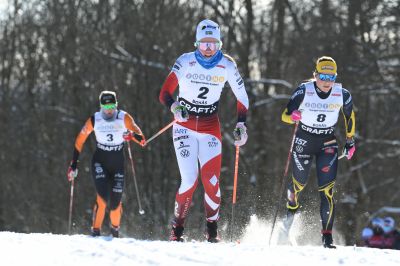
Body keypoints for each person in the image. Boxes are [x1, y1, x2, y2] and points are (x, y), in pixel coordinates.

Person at [159, 19, 249, 242]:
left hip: (210, 126)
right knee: (189, 180)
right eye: (204, 43)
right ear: (196, 43)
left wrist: (241, 124)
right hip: (184, 126)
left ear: (219, 44)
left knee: (212, 181)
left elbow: (242, 97)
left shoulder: (227, 65)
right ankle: (177, 230)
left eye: (213, 44)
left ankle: (211, 230)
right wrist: (175, 106)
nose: (208, 48)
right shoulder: (186, 61)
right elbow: (164, 93)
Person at [279, 56, 356, 248]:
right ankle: (287, 220)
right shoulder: (304, 90)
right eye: (323, 76)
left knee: (327, 191)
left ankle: (327, 237)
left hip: (327, 142)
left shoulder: (342, 94)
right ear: (315, 75)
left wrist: (350, 140)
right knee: (298, 185)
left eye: (331, 77)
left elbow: (349, 117)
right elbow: (285, 115)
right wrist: (293, 116)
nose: (327, 81)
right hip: (304, 140)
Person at [67, 91, 146, 237]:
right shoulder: (94, 120)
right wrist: (74, 164)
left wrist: (131, 135)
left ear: (116, 105)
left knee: (115, 203)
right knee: (102, 198)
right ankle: (95, 231)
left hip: (118, 164)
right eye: (105, 106)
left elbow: (142, 140)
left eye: (112, 106)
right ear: (101, 106)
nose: (109, 110)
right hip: (100, 162)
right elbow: (79, 140)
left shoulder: (124, 118)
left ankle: (114, 230)